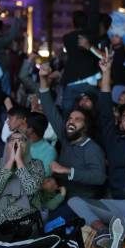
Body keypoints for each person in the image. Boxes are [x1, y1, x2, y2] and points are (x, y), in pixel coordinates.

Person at [66, 50, 125, 248]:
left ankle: (118, 235)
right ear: (120, 123)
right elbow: (104, 107)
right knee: (74, 201)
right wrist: (106, 71)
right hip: (113, 203)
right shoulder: (113, 141)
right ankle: (104, 231)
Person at [38, 63, 107, 199]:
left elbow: (99, 177)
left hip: (83, 202)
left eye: (77, 119)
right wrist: (43, 79)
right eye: (70, 118)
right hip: (62, 197)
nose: (71, 121)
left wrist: (66, 171)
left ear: (85, 126)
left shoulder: (91, 148)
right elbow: (49, 109)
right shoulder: (65, 138)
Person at [0, 130, 44, 236]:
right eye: (12, 140)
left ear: (27, 145)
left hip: (25, 221)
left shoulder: (37, 165)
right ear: (6, 145)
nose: (16, 144)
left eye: (20, 141)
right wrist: (9, 162)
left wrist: (19, 160)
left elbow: (31, 189)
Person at [60, 0, 101, 112]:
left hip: (71, 81)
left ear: (73, 22)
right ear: (87, 22)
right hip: (89, 80)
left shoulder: (67, 38)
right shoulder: (91, 34)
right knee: (91, 115)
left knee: (68, 115)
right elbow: (94, 12)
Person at [25, 112, 55, 176]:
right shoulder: (21, 141)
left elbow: (44, 176)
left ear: (30, 129)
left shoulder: (50, 151)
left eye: (23, 124)